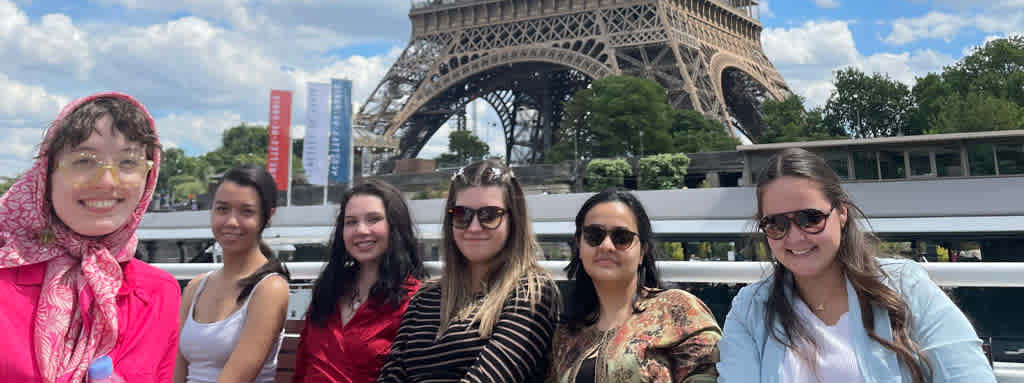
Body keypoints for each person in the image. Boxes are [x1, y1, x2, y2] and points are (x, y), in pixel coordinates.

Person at [717, 148, 996, 383]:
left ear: (841, 213)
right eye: (776, 224)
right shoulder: (750, 308)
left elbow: (967, 375)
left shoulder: (904, 285)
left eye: (810, 218)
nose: (795, 236)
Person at [0, 92, 180, 382]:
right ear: (46, 176)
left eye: (128, 163)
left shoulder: (160, 293)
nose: (107, 181)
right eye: (84, 161)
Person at [377, 159, 559, 383]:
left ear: (514, 220)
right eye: (462, 214)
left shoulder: (531, 293)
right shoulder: (424, 299)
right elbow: (391, 376)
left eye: (489, 215)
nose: (474, 227)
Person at [547, 189, 721, 383]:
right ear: (579, 246)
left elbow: (712, 375)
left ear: (642, 252)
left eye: (622, 238)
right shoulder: (566, 335)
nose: (606, 246)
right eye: (594, 235)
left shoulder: (677, 310)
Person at [293, 180, 427, 383]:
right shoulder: (329, 291)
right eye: (351, 222)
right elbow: (303, 367)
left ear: (395, 225)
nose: (361, 230)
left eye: (373, 219)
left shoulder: (414, 301)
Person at [175, 165, 291, 383]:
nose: (230, 221)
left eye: (246, 212)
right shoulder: (196, 287)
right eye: (222, 209)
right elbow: (177, 372)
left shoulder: (269, 289)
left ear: (268, 216)